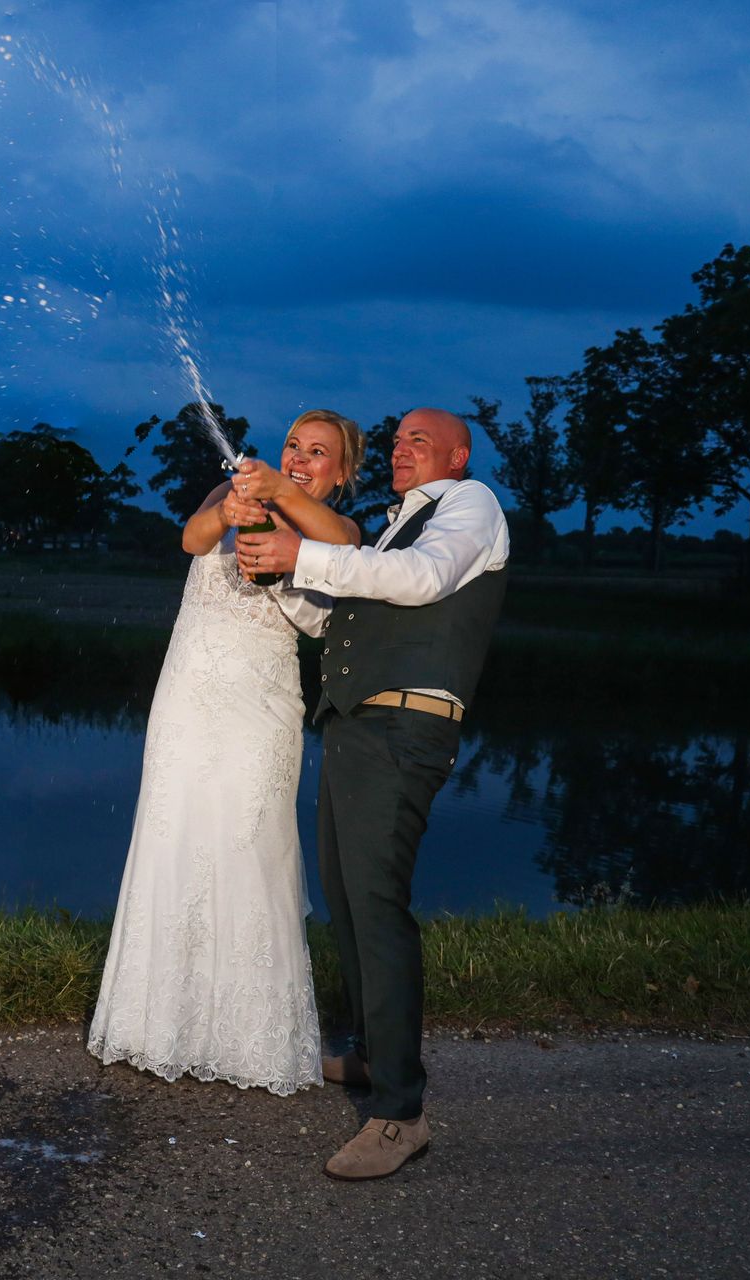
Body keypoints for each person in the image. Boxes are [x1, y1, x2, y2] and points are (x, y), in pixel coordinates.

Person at [234, 405, 509, 1180]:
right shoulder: (395, 527)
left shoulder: (469, 507)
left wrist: (303, 552)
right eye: (397, 442)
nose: (402, 450)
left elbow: (421, 582)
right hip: (356, 728)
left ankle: (400, 1115)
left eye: (421, 440)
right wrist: (280, 574)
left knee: (378, 905)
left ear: (459, 455)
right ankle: (368, 1052)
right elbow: (339, 622)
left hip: (405, 731)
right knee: (348, 900)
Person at [88, 410, 366, 1096]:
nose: (301, 459)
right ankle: (154, 1026)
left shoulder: (341, 534)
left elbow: (345, 549)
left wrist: (280, 499)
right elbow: (192, 537)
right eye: (294, 446)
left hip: (259, 706)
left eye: (319, 453)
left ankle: (249, 1040)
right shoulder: (232, 490)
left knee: (248, 846)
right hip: (188, 693)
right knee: (173, 837)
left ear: (342, 472)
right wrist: (231, 508)